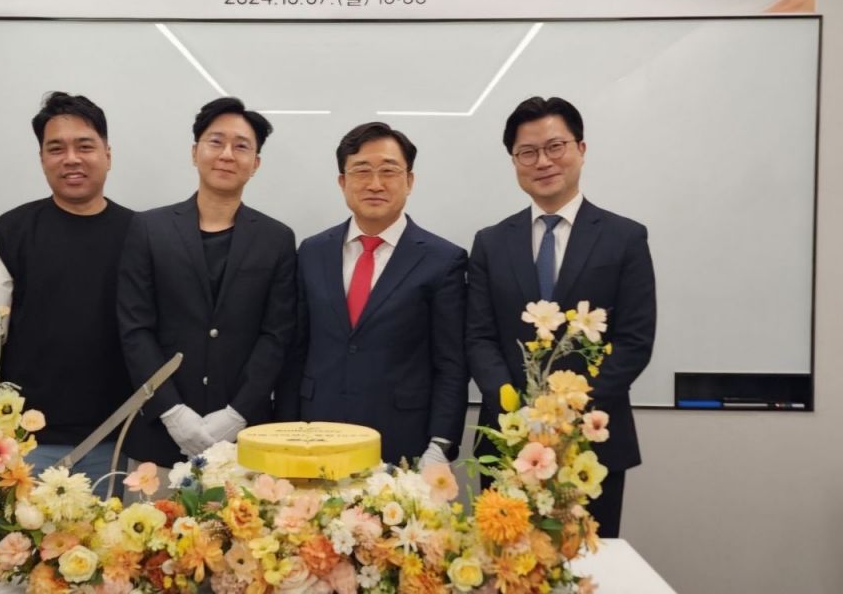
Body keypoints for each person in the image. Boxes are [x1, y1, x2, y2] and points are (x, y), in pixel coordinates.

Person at [466, 95, 656, 537]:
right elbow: (478, 337)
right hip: (509, 439)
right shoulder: (491, 242)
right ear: (514, 161)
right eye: (527, 152)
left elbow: (634, 340)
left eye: (555, 147)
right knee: (507, 562)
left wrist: (566, 415)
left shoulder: (625, 238)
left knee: (587, 561)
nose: (543, 162)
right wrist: (518, 412)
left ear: (581, 149)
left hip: (591, 439)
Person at [0, 91, 135, 486]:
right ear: (42, 158)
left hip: (113, 438)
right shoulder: (10, 234)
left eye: (84, 146)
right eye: (56, 148)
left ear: (107, 154)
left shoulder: (140, 235)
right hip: (24, 444)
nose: (71, 158)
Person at [275, 122, 468, 468]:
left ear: (409, 181)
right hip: (315, 434)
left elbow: (451, 363)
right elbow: (295, 352)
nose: (375, 184)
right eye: (362, 171)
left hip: (402, 439)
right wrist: (284, 431)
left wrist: (440, 444)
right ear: (342, 182)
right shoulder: (312, 251)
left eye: (389, 171)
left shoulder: (443, 260)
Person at [117, 97, 296, 467]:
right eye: (216, 142)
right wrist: (171, 411)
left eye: (241, 146)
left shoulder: (276, 239)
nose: (227, 154)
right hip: (159, 437)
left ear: (255, 164)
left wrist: (237, 414)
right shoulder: (148, 229)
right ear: (194, 152)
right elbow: (135, 329)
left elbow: (276, 336)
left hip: (245, 441)